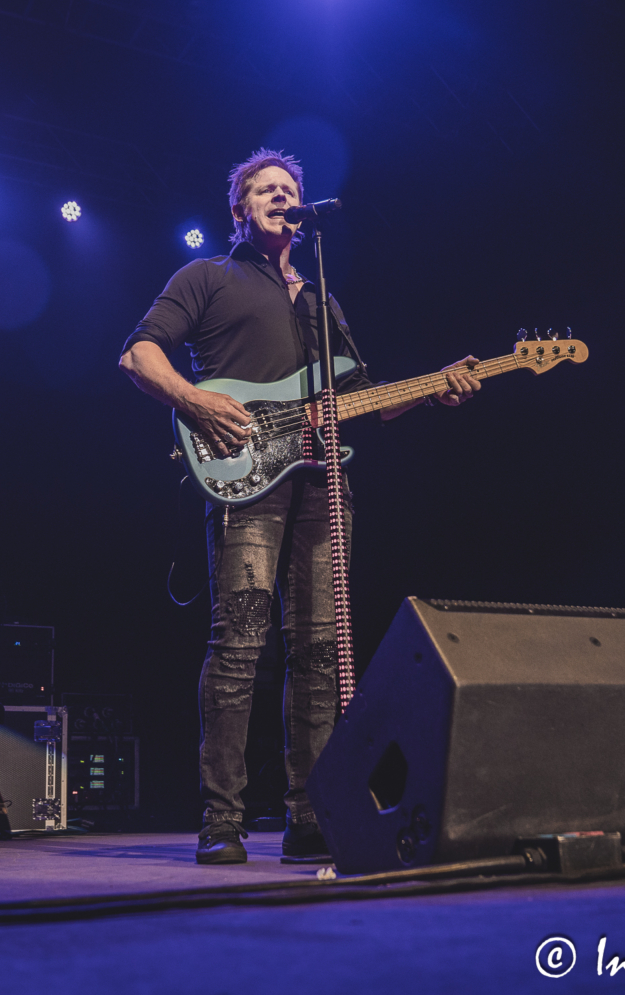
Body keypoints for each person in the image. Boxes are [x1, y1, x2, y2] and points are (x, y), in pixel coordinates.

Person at [119, 148, 481, 863]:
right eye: (268, 190)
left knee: (319, 654)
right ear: (240, 209)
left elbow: (366, 403)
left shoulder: (322, 299)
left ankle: (310, 815)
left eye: (292, 190)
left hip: (323, 486)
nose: (284, 198)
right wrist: (195, 401)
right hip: (243, 479)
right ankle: (221, 819)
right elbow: (138, 356)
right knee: (241, 647)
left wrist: (436, 387)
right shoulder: (207, 277)